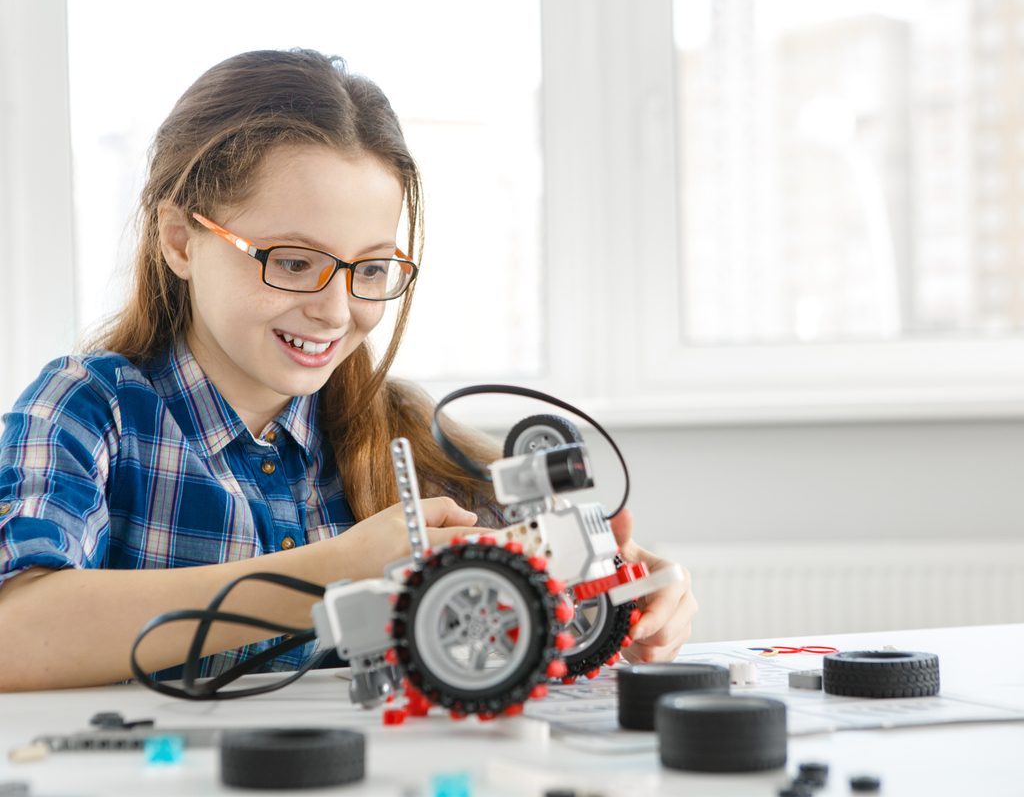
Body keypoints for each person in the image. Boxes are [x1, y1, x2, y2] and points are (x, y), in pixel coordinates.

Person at [0, 49, 697, 692]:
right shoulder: (88, 409)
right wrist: (333, 570)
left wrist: (637, 585)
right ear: (180, 239)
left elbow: (552, 571)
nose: (336, 311)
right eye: (294, 262)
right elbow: (14, 632)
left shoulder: (399, 429)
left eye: (369, 269)